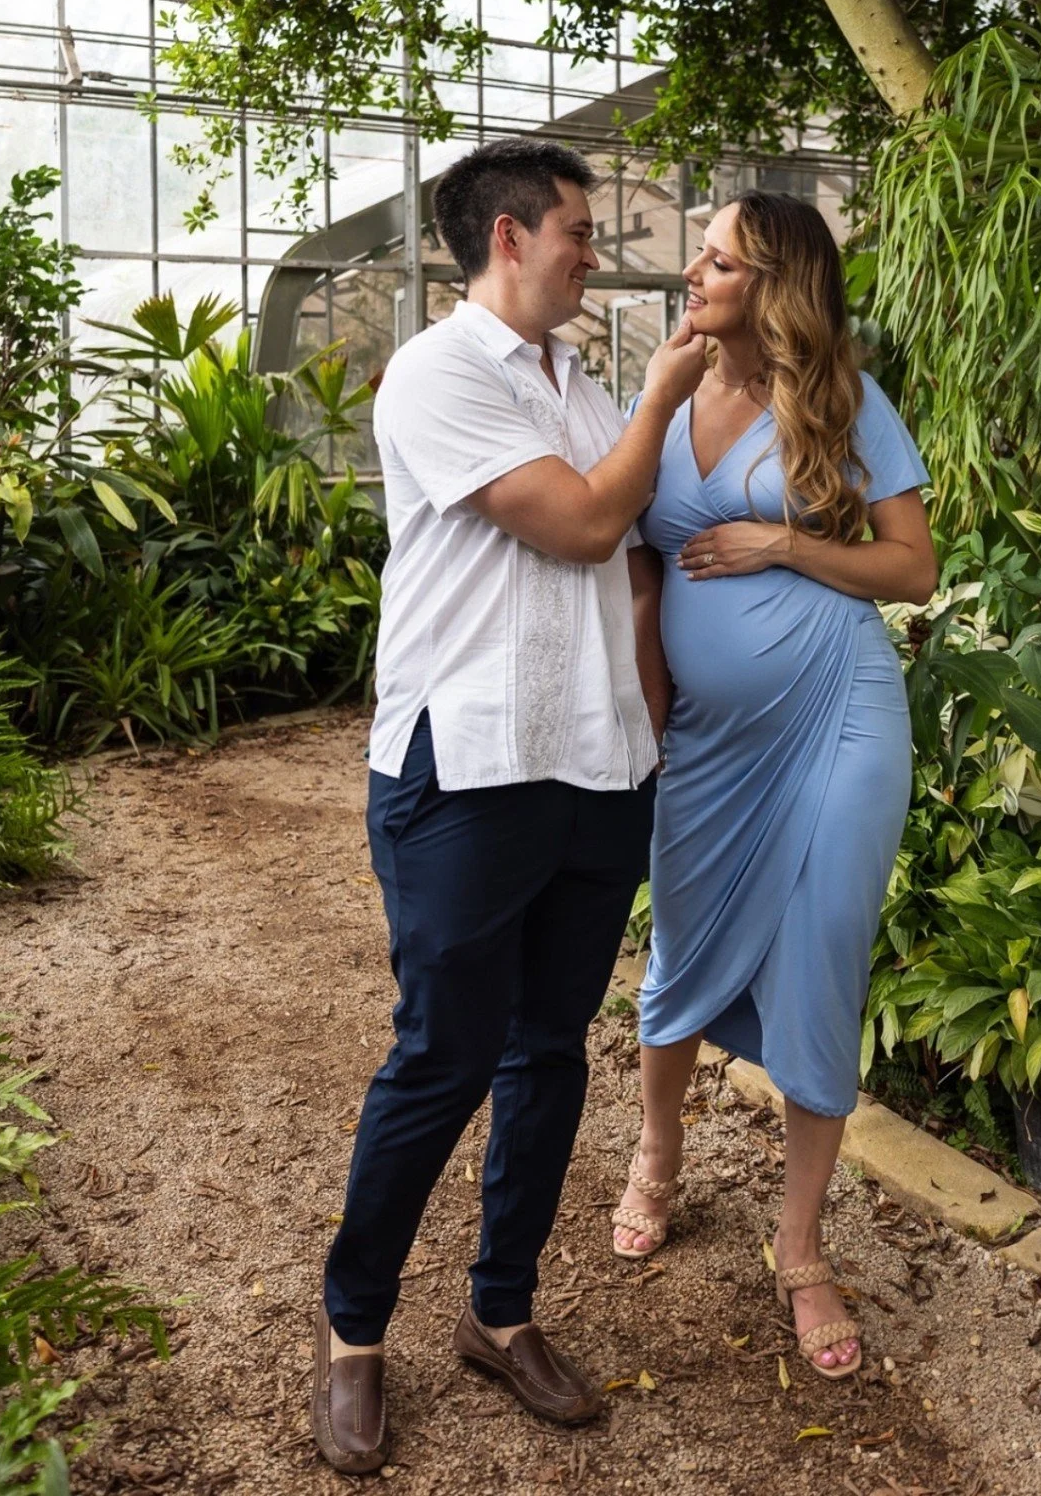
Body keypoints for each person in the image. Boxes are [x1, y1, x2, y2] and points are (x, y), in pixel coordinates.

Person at [312, 138, 705, 1474]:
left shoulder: (577, 384)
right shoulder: (438, 374)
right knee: (442, 1058)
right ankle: (354, 1334)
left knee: (550, 1053)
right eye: (580, 234)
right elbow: (590, 525)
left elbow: (640, 560)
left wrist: (650, 719)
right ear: (510, 242)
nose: (595, 254)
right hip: (467, 768)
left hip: (596, 766)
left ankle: (501, 1310)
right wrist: (662, 400)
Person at [610, 190, 937, 1380]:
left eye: (718, 261)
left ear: (775, 284)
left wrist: (787, 541)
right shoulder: (664, 389)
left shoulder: (845, 402)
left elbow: (913, 568)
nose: (691, 275)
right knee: (680, 953)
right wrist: (652, 709)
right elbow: (639, 572)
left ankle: (800, 1247)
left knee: (826, 953)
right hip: (708, 742)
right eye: (700, 257)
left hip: (842, 717)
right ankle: (657, 1155)